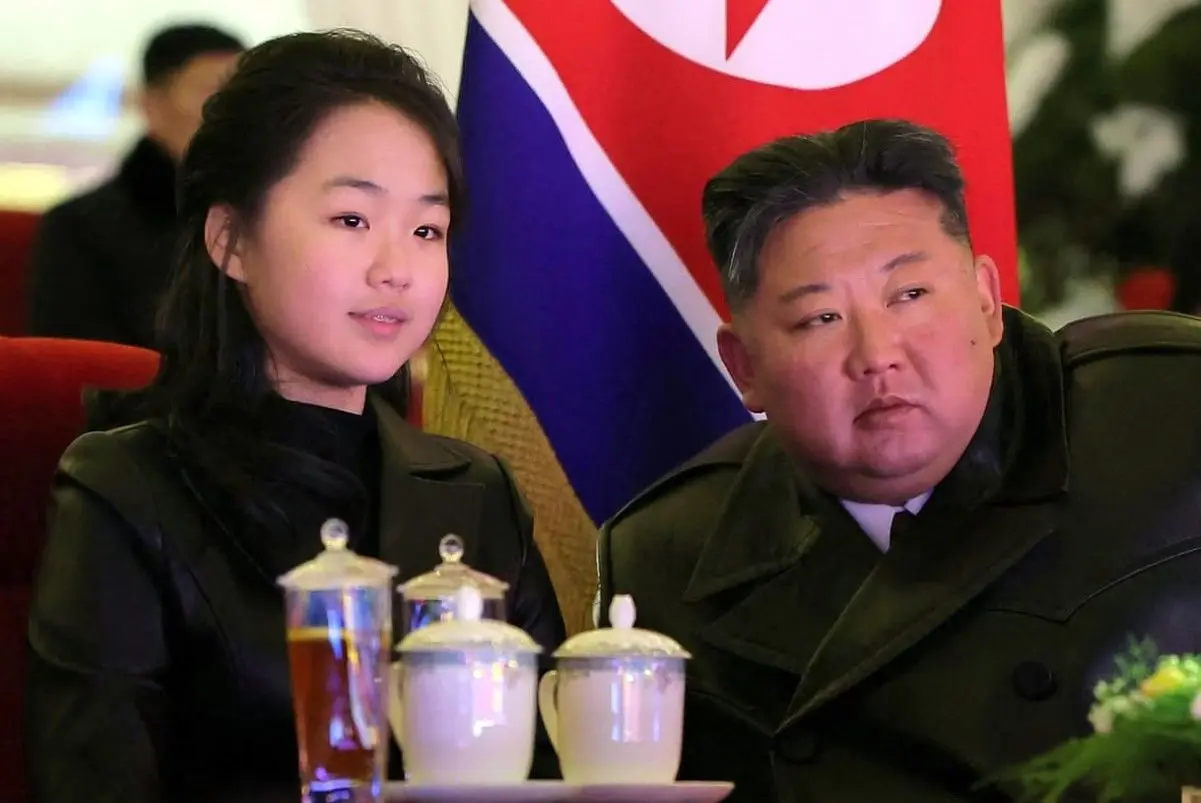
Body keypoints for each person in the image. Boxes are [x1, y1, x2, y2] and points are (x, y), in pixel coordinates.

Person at [26, 30, 566, 803]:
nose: (396, 269)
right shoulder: (128, 489)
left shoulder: (476, 490)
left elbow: (551, 771)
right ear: (231, 240)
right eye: (351, 219)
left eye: (426, 229)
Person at [596, 119, 1201, 802]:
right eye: (820, 318)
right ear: (744, 368)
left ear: (985, 300)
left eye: (909, 295)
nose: (876, 354)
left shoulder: (1166, 405)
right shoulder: (671, 555)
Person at [26, 24, 244, 347]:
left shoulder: (260, 213)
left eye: (241, 95)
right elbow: (77, 358)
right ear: (151, 104)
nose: (229, 113)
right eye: (210, 92)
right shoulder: (79, 227)